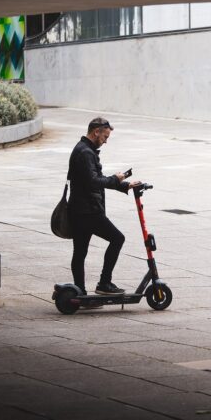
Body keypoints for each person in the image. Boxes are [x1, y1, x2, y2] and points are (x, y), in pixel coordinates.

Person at [67, 117, 140, 295]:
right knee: (117, 239)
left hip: (79, 210)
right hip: (89, 211)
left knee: (80, 252)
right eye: (105, 137)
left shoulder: (84, 149)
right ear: (96, 132)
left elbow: (93, 180)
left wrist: (124, 185)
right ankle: (104, 283)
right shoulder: (85, 152)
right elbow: (93, 182)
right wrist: (116, 179)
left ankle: (80, 291)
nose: (106, 141)